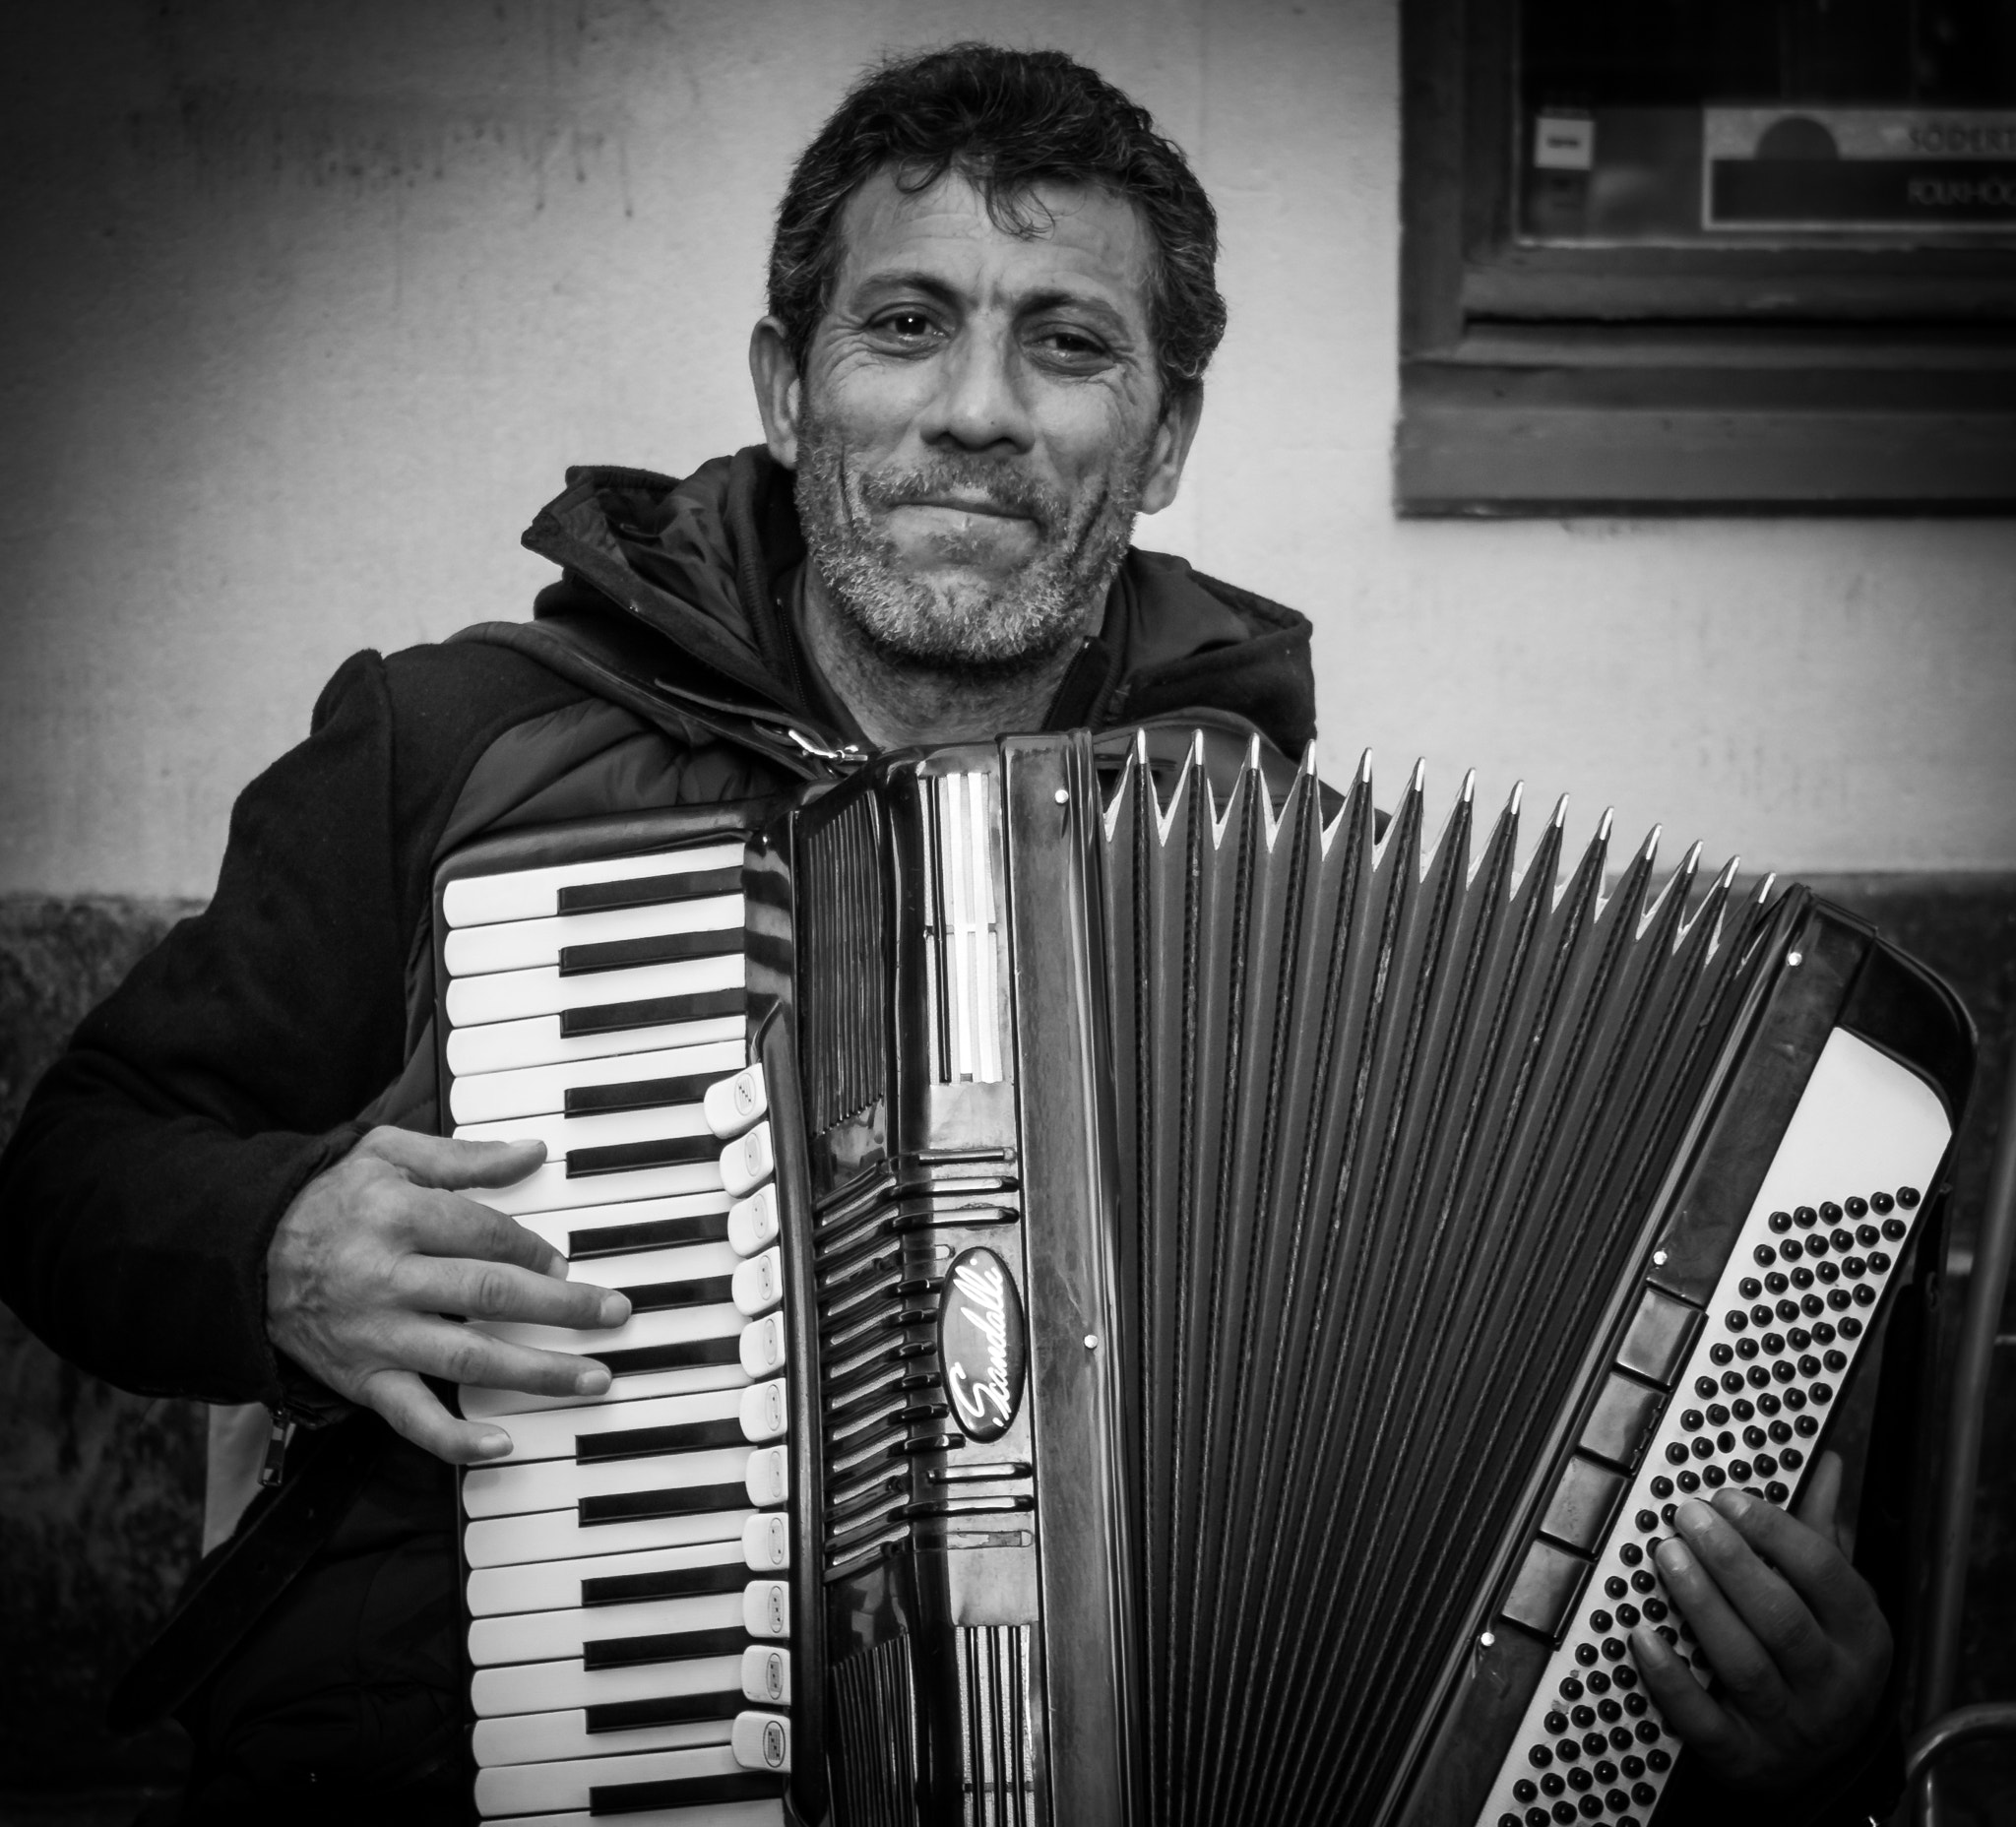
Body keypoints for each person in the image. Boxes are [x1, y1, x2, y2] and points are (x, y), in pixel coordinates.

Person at [0, 41, 1901, 1825]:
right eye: (905, 326)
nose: (975, 412)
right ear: (785, 379)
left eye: (1067, 346)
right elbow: (70, 1175)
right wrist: (276, 1254)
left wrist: (1782, 1724)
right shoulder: (454, 745)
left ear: (1161, 435)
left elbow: (1513, 1493)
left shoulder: (1289, 899)